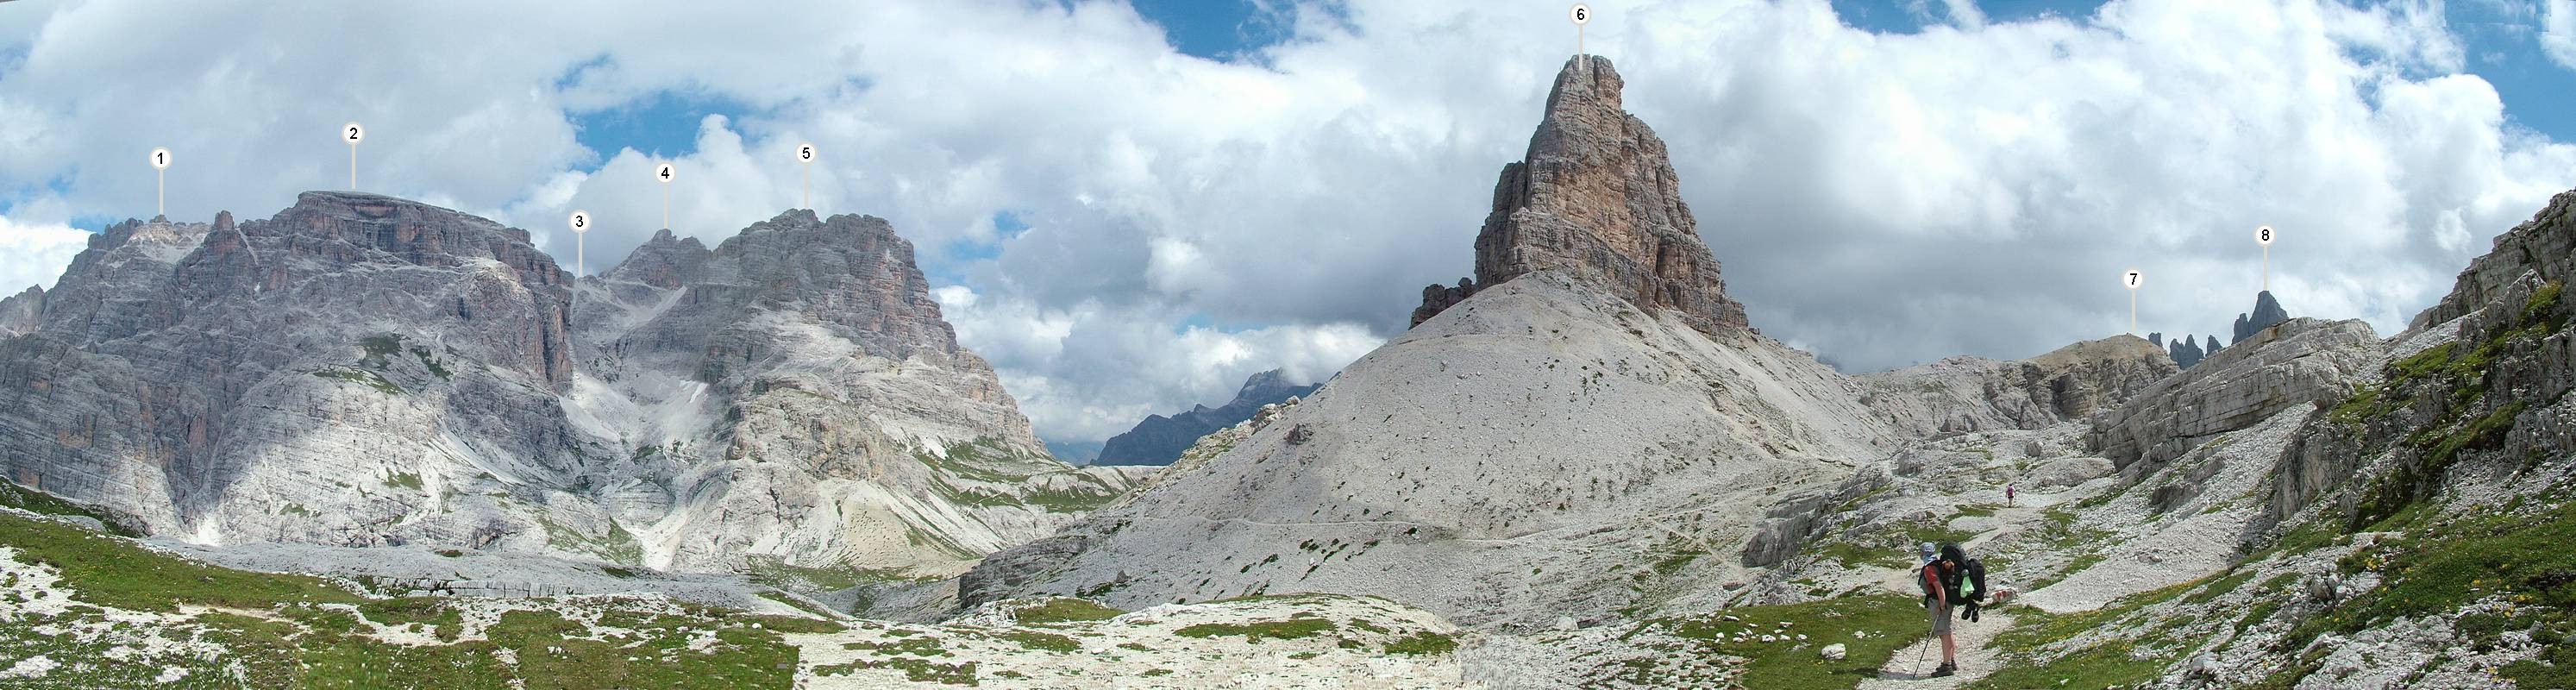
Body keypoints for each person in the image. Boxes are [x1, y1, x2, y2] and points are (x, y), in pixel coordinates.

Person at [1920, 543, 1962, 678]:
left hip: (1939, 602)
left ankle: (1946, 666)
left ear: (1923, 553)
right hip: (1947, 601)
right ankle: (1951, 660)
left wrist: (1941, 605)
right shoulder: (1939, 564)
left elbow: (1938, 586)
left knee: (1943, 633)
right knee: (1948, 631)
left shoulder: (1929, 568)